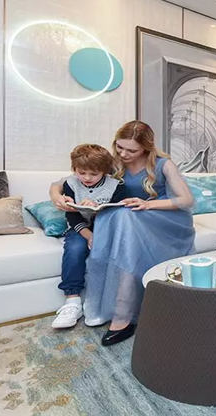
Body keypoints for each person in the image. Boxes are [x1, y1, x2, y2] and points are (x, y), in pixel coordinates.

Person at [51, 121, 195, 346]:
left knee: (123, 215)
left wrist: (147, 204)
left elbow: (186, 200)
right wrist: (57, 197)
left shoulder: (163, 165)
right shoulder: (114, 162)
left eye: (131, 150)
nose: (124, 154)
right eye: (119, 147)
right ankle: (114, 308)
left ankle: (123, 315)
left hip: (164, 220)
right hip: (127, 221)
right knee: (121, 216)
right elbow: (60, 183)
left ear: (146, 148)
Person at [51, 144, 125, 329]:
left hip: (106, 229)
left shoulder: (116, 186)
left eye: (94, 174)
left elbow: (118, 214)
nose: (87, 178)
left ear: (104, 171)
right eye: (81, 172)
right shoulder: (70, 184)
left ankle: (106, 301)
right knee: (75, 248)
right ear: (74, 169)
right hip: (80, 229)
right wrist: (89, 236)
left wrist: (96, 212)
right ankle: (72, 302)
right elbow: (72, 216)